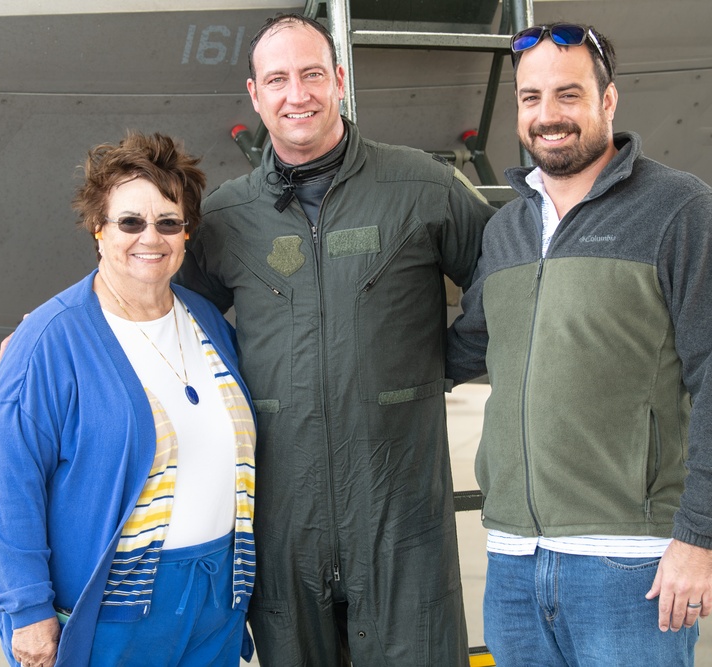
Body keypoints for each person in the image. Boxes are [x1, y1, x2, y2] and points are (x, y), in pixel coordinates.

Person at [177, 13, 495, 666]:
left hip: (400, 517)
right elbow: (154, 303)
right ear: (256, 94)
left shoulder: (420, 186)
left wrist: (443, 361)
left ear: (340, 81)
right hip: (285, 522)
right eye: (279, 79)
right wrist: (44, 334)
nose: (298, 94)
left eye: (313, 74)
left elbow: (507, 271)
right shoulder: (228, 217)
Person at [446, 23, 712, 666]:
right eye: (531, 99)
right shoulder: (507, 227)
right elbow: (465, 348)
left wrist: (700, 540)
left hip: (631, 564)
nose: (547, 116)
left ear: (607, 101)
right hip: (512, 562)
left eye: (568, 95)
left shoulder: (680, 209)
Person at [0, 132, 256, 667]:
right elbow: (6, 488)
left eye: (168, 222)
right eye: (130, 221)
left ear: (186, 232)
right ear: (98, 228)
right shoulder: (48, 339)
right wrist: (26, 611)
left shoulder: (207, 322)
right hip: (115, 611)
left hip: (217, 600)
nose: (150, 237)